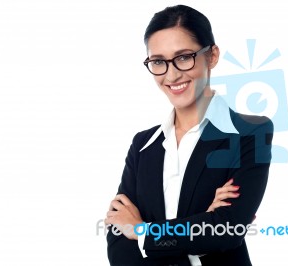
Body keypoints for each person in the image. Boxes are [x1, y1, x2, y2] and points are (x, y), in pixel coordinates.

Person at [104, 5, 273, 266]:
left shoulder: (250, 132)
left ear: (212, 56)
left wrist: (142, 231)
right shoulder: (143, 145)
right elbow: (117, 230)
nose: (171, 75)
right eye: (158, 61)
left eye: (183, 57)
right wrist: (201, 222)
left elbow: (226, 230)